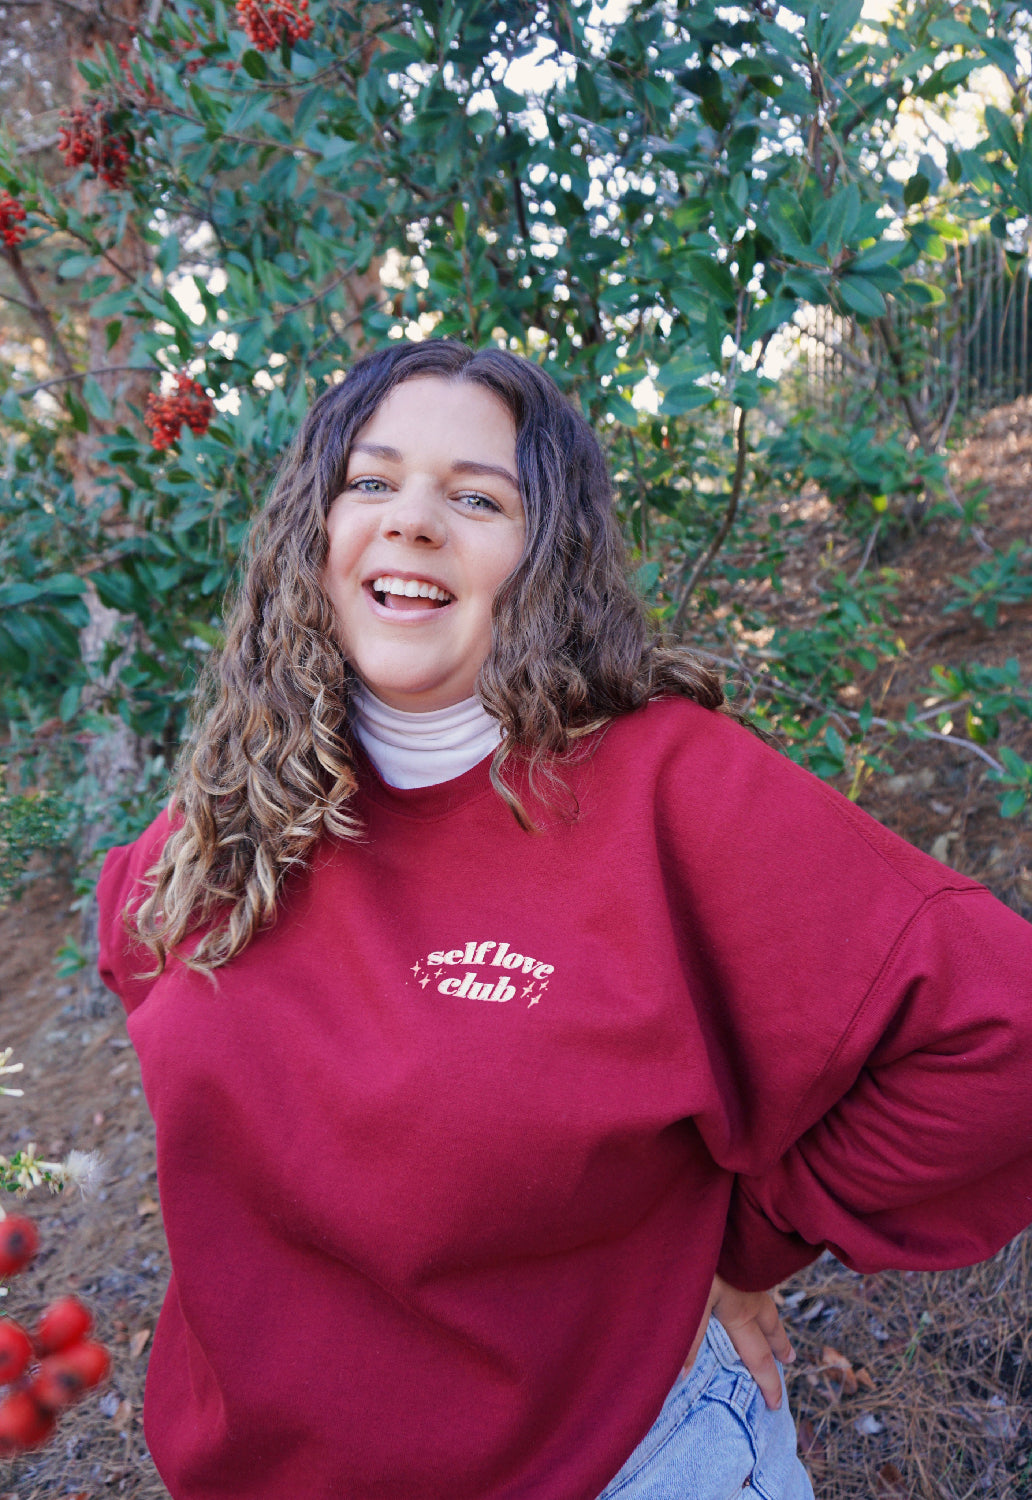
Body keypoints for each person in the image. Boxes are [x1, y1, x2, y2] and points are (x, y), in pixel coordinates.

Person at [96, 339, 1032, 1500]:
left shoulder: (668, 791)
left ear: (549, 555)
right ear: (314, 531)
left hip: (608, 1464)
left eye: (478, 497)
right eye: (373, 481)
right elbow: (132, 946)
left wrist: (738, 1247)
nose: (413, 522)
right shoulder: (239, 797)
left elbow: (1003, 1033)